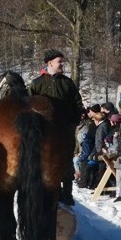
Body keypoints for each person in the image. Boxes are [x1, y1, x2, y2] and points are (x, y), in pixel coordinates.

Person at [29, 49, 84, 206]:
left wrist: (73, 122)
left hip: (64, 132)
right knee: (43, 162)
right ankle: (47, 192)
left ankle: (67, 194)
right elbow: (28, 105)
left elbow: (78, 104)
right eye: (60, 61)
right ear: (50, 63)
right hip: (42, 133)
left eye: (62, 61)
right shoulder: (37, 83)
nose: (62, 64)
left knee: (66, 163)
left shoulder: (67, 83)